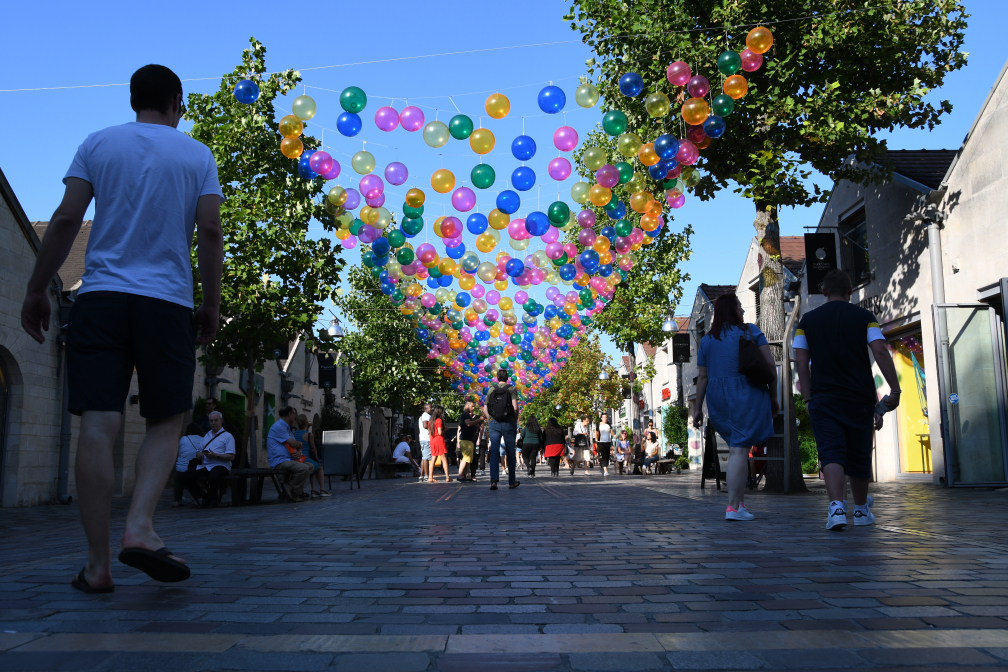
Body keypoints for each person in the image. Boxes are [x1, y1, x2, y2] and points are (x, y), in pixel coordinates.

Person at [20, 65, 224, 591]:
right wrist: (211, 303)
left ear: (133, 99)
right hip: (165, 302)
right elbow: (208, 229)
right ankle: (139, 526)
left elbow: (65, 220)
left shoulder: (98, 143)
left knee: (98, 420)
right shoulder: (196, 155)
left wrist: (37, 288)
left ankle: (97, 565)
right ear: (176, 102)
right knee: (166, 419)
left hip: (102, 297)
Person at [794, 269, 900, 530]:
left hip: (823, 398)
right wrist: (895, 389)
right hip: (859, 398)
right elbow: (880, 352)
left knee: (831, 452)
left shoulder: (806, 322)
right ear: (850, 291)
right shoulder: (866, 318)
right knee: (859, 452)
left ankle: (837, 508)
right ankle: (862, 511)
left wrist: (808, 399)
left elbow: (801, 361)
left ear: (824, 291)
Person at [693, 292, 778, 522]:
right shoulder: (750, 331)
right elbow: (770, 367)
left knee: (735, 447)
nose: (742, 310)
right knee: (740, 449)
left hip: (717, 398)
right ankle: (733, 507)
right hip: (745, 393)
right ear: (732, 310)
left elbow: (703, 377)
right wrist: (774, 397)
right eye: (739, 306)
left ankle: (739, 503)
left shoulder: (707, 341)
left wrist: (698, 409)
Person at [267, 406, 314, 501]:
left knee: (310, 466)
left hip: (289, 459)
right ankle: (295, 492)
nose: (295, 417)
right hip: (280, 460)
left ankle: (289, 487)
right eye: (294, 414)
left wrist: (299, 452)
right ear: (290, 414)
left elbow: (297, 445)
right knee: (303, 468)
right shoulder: (278, 427)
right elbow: (293, 443)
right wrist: (299, 444)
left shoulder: (287, 428)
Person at [484, 370, 520, 490]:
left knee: (494, 451)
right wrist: (515, 420)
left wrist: (490, 419)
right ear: (507, 378)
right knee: (510, 451)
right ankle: (511, 482)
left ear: (497, 378)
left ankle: (494, 481)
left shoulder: (491, 389)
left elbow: (485, 408)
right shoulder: (511, 389)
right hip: (508, 423)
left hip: (494, 423)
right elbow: (515, 408)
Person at [197, 411, 235, 507]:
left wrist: (216, 455)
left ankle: (213, 499)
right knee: (186, 476)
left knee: (213, 476)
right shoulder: (206, 435)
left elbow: (231, 457)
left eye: (216, 420)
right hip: (206, 465)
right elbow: (199, 450)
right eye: (211, 421)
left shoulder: (228, 436)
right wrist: (198, 454)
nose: (213, 423)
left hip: (221, 464)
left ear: (221, 421)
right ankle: (205, 497)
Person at [173, 423, 207, 507]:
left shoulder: (183, 439)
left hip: (182, 469)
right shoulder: (204, 439)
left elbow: (179, 453)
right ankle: (201, 497)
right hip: (197, 468)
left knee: (177, 478)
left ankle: (177, 501)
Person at [295, 415, 329, 498]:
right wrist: (317, 458)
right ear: (306, 423)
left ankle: (314, 490)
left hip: (298, 457)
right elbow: (314, 448)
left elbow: (303, 434)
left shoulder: (295, 433)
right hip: (305, 457)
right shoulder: (309, 435)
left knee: (313, 468)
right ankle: (322, 489)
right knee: (319, 466)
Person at [457, 400, 483, 482]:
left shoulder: (468, 415)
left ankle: (467, 476)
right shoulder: (465, 415)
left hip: (469, 440)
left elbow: (473, 424)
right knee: (466, 458)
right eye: (472, 406)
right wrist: (479, 420)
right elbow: (468, 424)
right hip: (466, 440)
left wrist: (478, 424)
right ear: (467, 406)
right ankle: (460, 475)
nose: (473, 408)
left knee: (469, 459)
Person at [428, 406, 452, 483]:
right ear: (440, 412)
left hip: (432, 440)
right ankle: (447, 477)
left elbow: (429, 433)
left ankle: (430, 477)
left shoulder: (430, 421)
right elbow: (440, 432)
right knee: (444, 459)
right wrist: (445, 429)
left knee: (433, 459)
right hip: (439, 440)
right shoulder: (439, 420)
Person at [418, 403, 432, 482]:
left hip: (422, 438)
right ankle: (426, 475)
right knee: (426, 458)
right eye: (430, 408)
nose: (432, 409)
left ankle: (421, 475)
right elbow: (425, 425)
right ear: (426, 408)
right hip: (427, 439)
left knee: (424, 457)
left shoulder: (421, 416)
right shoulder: (427, 415)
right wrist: (433, 427)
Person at [596, 413, 613, 477]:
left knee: (607, 456)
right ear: (601, 418)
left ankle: (603, 467)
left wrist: (614, 435)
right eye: (604, 417)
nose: (605, 419)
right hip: (601, 442)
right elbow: (597, 433)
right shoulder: (599, 424)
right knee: (604, 455)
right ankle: (605, 470)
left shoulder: (608, 424)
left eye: (606, 417)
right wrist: (596, 441)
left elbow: (611, 431)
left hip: (608, 442)